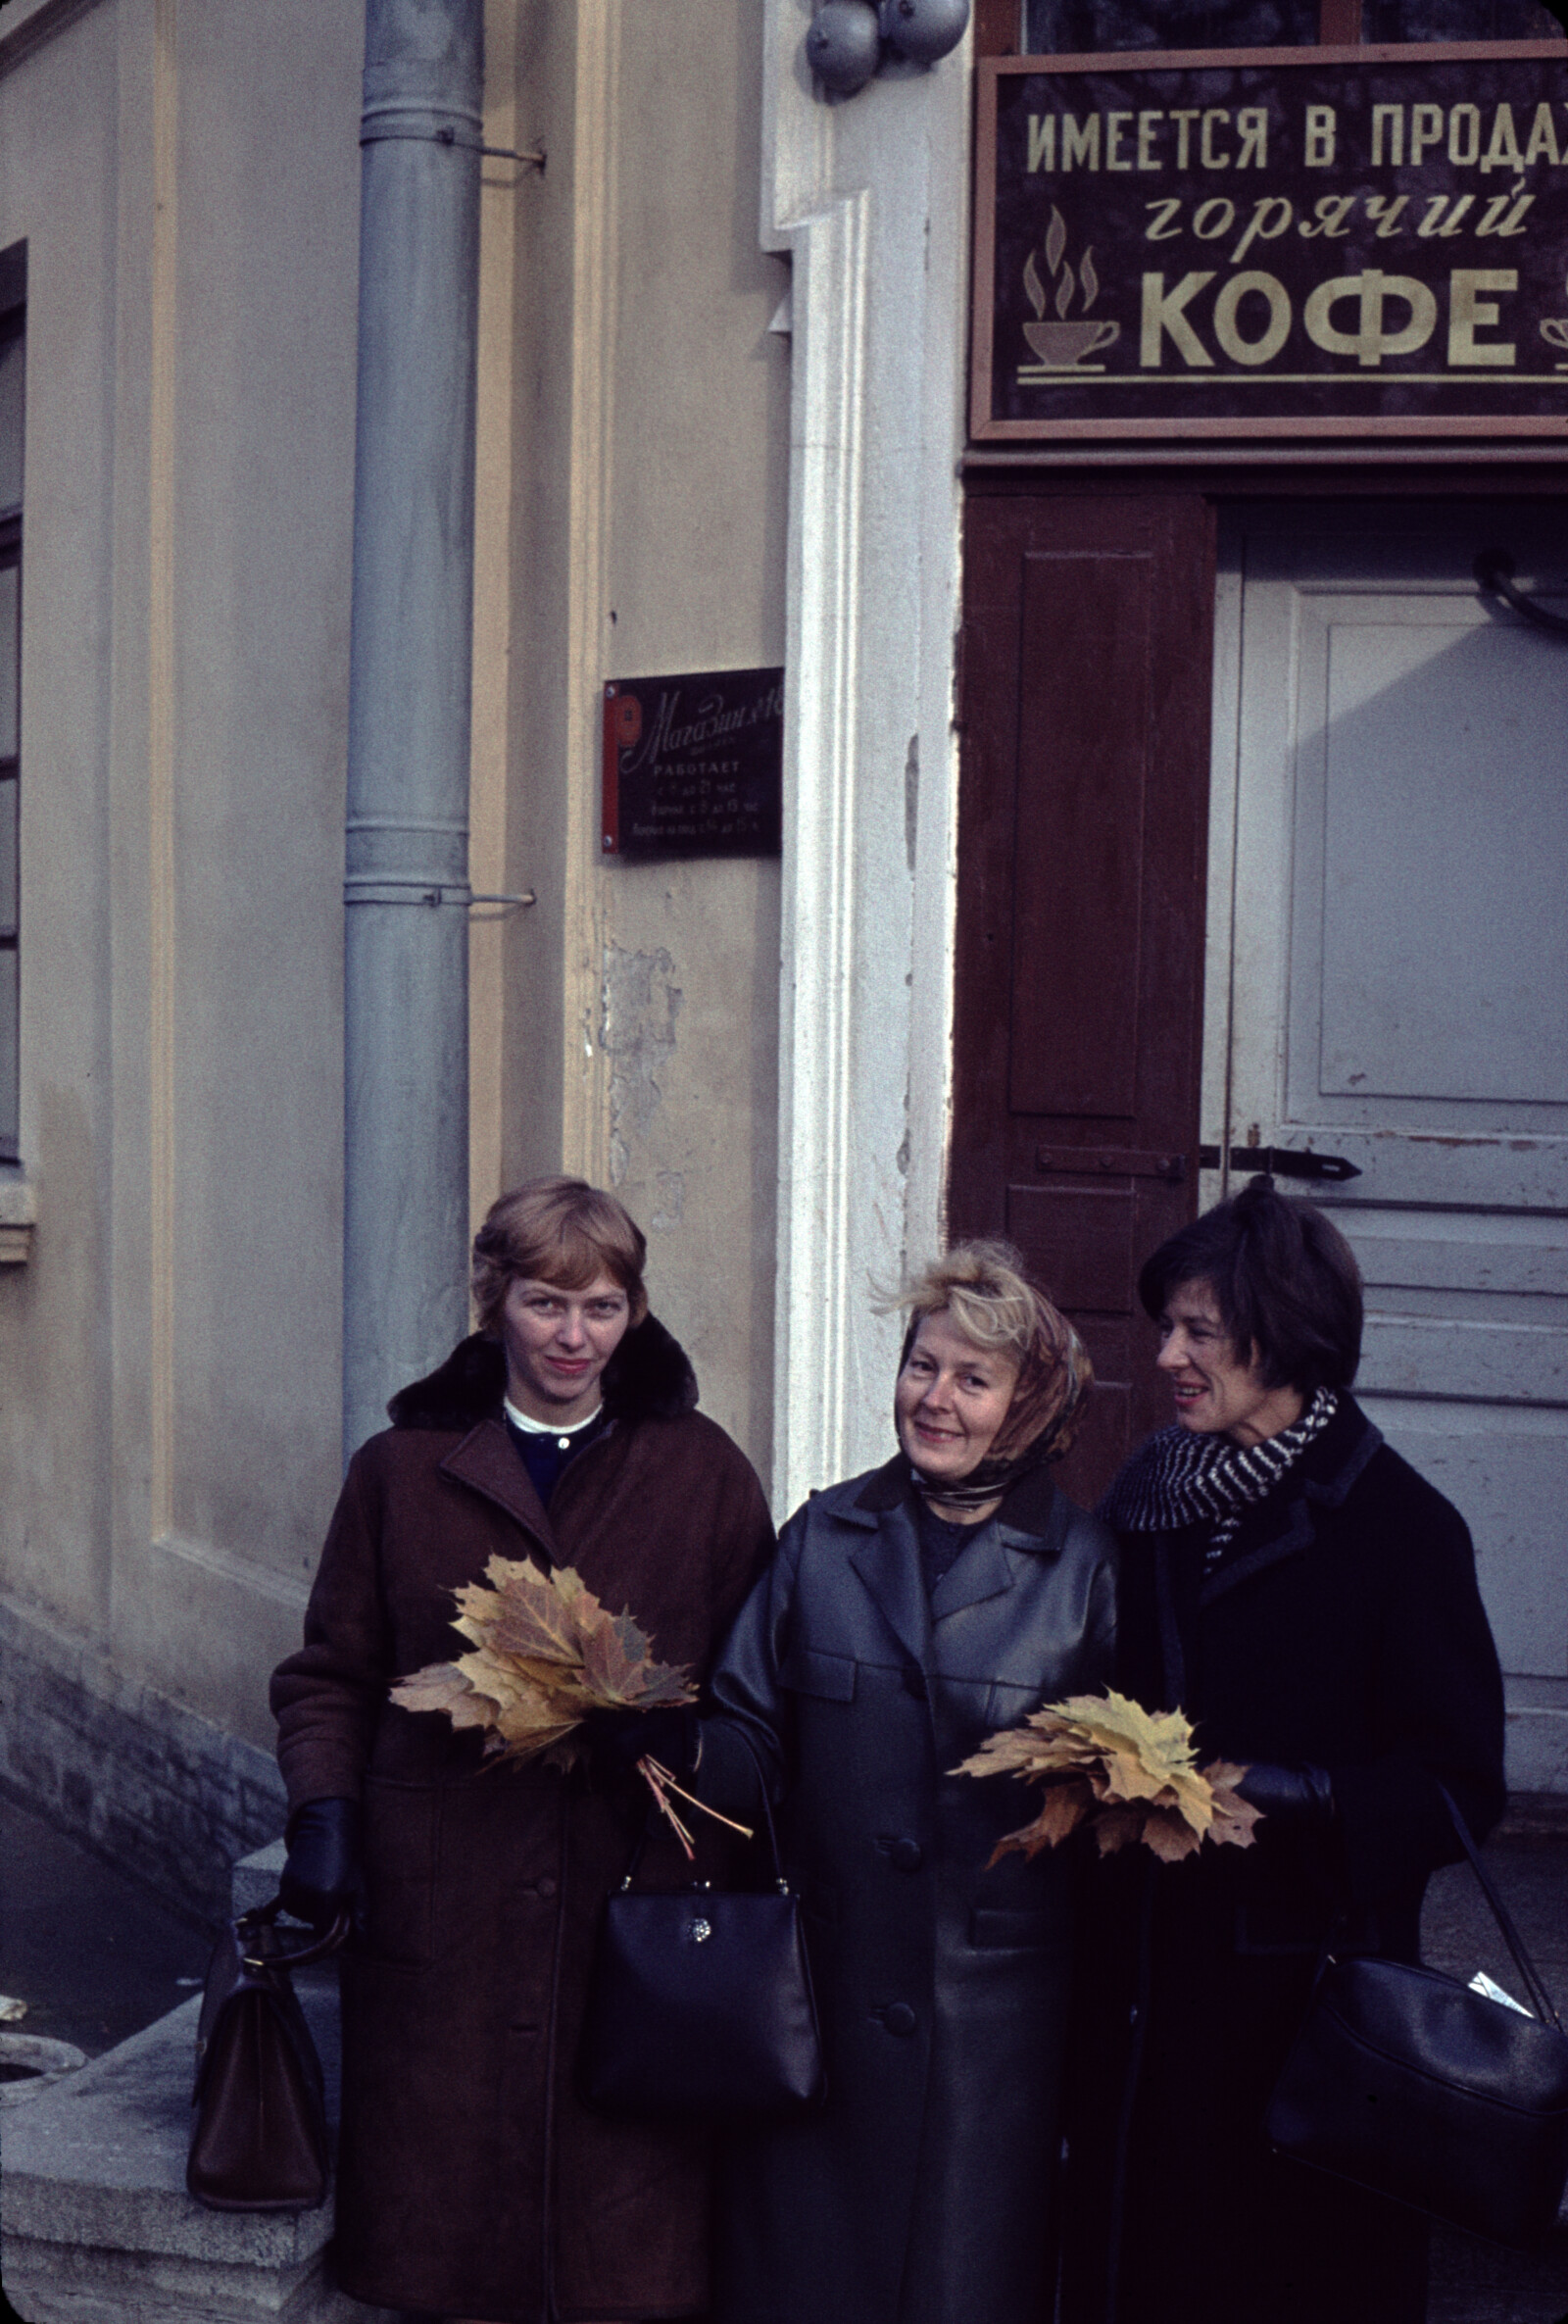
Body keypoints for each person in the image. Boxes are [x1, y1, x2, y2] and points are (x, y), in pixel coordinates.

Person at [270, 1177, 774, 2324]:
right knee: (445, 2252)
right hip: (449, 1899)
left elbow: (758, 1693)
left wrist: (679, 1739)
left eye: (601, 1307)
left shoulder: (699, 1471)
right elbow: (330, 1674)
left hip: (632, 1902)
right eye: (548, 1303)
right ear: (497, 1299)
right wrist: (326, 1813)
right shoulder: (402, 1472)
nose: (573, 1337)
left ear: (633, 1311)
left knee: (620, 2255)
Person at [1060, 1176, 1506, 2324]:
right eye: (1167, 1327)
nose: (1165, 1354)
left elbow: (1460, 1782)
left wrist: (1291, 1793)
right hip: (1143, 1990)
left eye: (1197, 1331)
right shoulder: (1145, 1499)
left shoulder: (1400, 1528)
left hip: (1298, 2010)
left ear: (1286, 1337)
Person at [693, 1241, 1118, 2324]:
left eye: (972, 1379)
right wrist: (650, 1745)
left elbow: (1128, 1793)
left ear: (1028, 1405)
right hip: (814, 2010)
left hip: (995, 2040)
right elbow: (743, 1730)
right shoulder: (822, 1536)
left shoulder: (1089, 1571)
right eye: (921, 1366)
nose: (934, 1399)